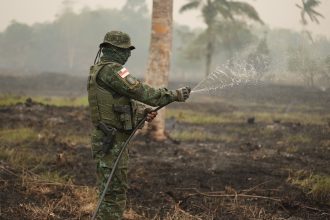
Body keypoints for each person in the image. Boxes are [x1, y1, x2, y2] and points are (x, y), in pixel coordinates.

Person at [87, 30, 191, 219]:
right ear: (113, 50)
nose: (128, 54)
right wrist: (172, 95)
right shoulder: (113, 70)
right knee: (114, 193)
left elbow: (116, 102)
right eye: (125, 50)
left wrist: (142, 111)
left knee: (110, 191)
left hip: (109, 138)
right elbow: (139, 91)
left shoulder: (99, 69)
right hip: (112, 139)